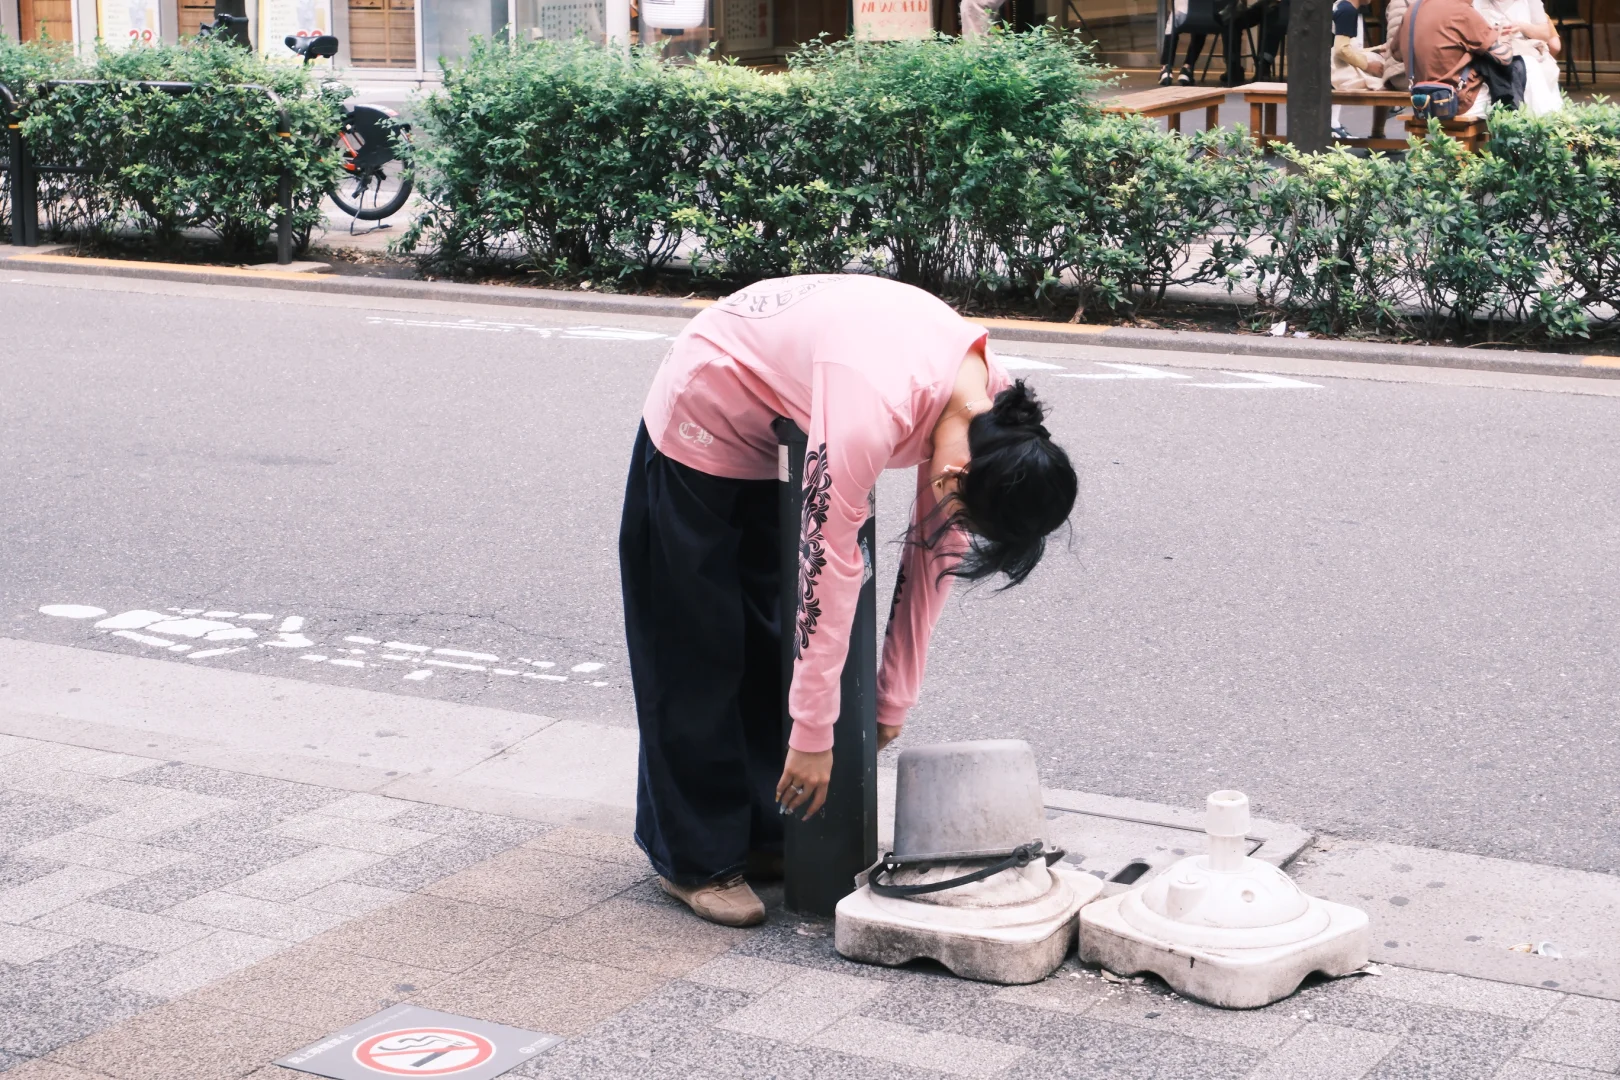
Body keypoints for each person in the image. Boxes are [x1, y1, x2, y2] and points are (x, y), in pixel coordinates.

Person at [619, 274, 1078, 928]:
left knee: (772, 639)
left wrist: (894, 695)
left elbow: (933, 556)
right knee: (696, 644)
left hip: (788, 425)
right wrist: (813, 735)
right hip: (708, 408)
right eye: (967, 513)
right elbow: (830, 564)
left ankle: (756, 834)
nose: (961, 527)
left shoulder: (995, 418)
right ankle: (692, 859)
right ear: (956, 474)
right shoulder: (876, 406)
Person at [1391, 0, 1518, 120]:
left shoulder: (1413, 10)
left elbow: (1396, 54)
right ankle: (1518, 138)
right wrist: (1505, 40)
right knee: (1520, 68)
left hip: (1421, 102)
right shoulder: (1462, 11)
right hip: (1459, 103)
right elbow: (1505, 57)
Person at [1474, 0, 1563, 114]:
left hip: (1528, 54)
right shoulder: (1476, 2)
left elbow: (1545, 34)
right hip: (1491, 57)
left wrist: (1522, 27)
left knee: (1530, 68)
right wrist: (1491, 34)